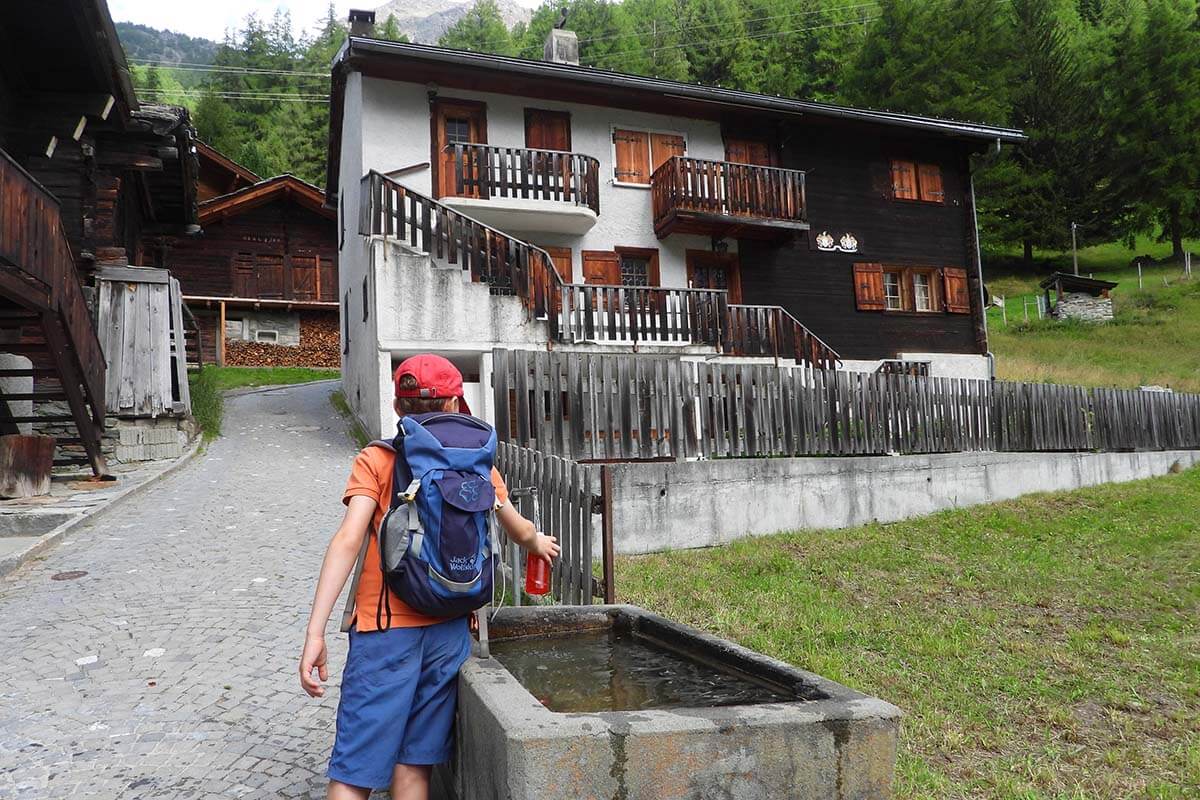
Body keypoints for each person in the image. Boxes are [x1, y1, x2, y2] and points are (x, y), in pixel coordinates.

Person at [299, 354, 559, 800]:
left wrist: (314, 631)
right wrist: (537, 544)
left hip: (385, 632)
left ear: (398, 408)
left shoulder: (378, 459)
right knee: (414, 766)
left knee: (354, 774)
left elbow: (348, 540)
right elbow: (515, 527)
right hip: (450, 631)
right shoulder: (479, 467)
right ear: (458, 404)